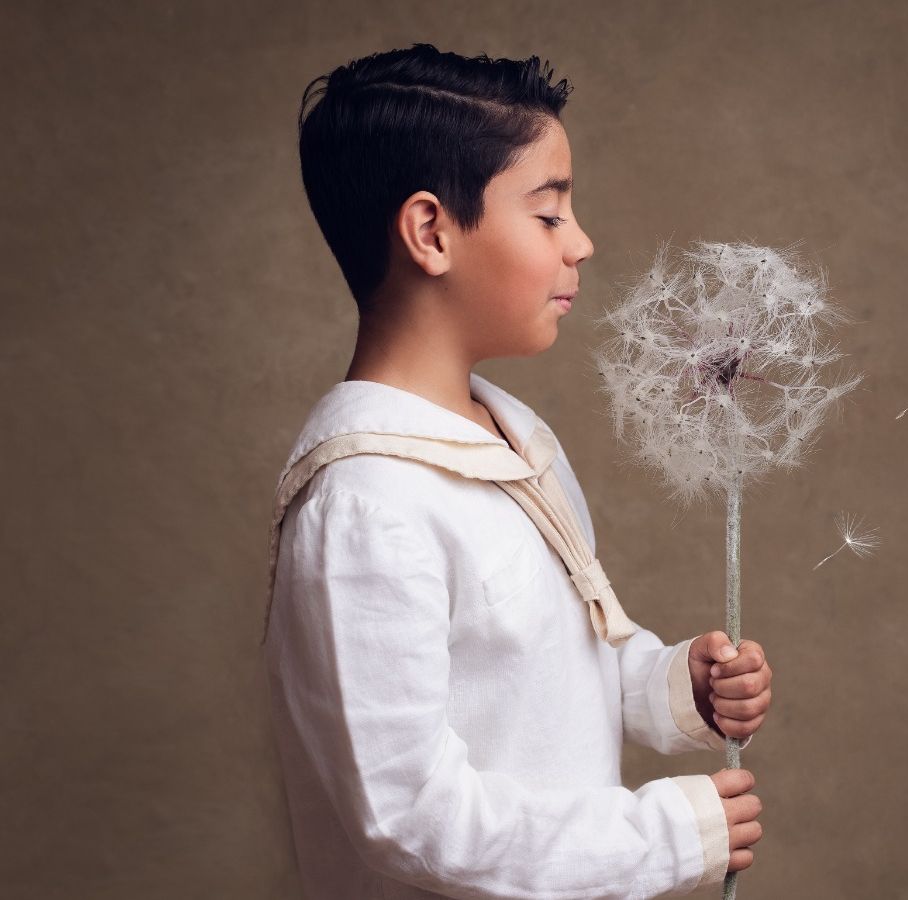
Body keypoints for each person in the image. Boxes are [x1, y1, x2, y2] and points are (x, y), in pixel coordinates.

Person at [263, 43, 770, 899]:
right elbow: (408, 814)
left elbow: (551, 667)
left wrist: (670, 686)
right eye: (548, 215)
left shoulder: (511, 433)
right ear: (431, 232)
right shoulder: (366, 508)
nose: (583, 242)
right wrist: (661, 837)